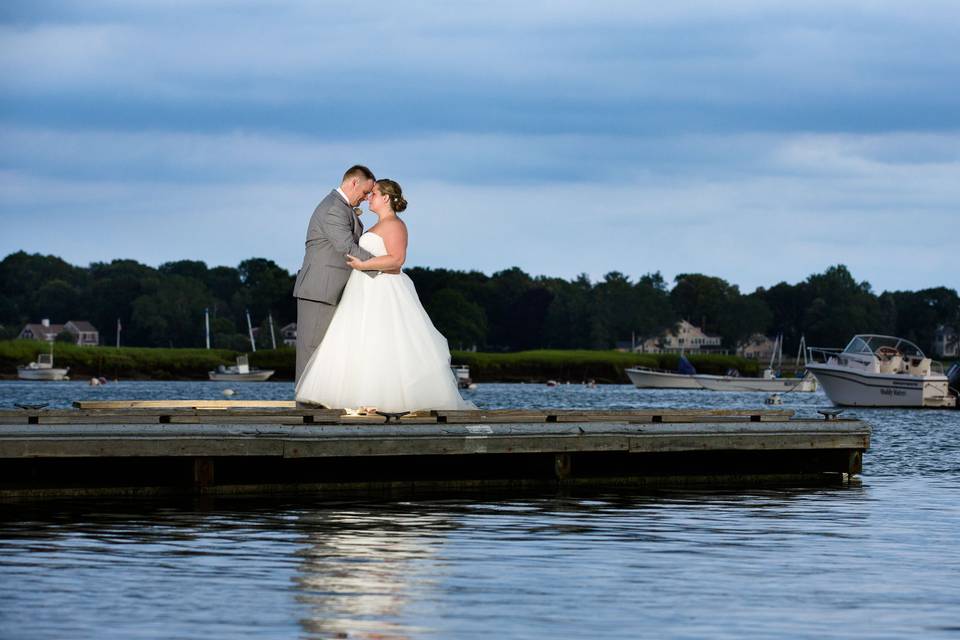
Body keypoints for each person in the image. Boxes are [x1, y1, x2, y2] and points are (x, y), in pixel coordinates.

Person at [295, 179, 475, 413]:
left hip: (382, 288)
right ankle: (361, 398)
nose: (370, 197)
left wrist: (364, 264)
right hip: (363, 288)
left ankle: (386, 399)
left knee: (382, 341)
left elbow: (397, 260)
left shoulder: (395, 225)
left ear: (386, 198)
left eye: (374, 194)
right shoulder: (377, 224)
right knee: (361, 341)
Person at [293, 165, 378, 383]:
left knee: (327, 354)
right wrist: (382, 267)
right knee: (311, 352)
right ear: (353, 183)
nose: (366, 198)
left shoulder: (341, 207)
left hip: (332, 291)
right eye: (366, 192)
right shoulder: (334, 208)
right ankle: (306, 410)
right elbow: (347, 247)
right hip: (320, 291)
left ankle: (321, 408)